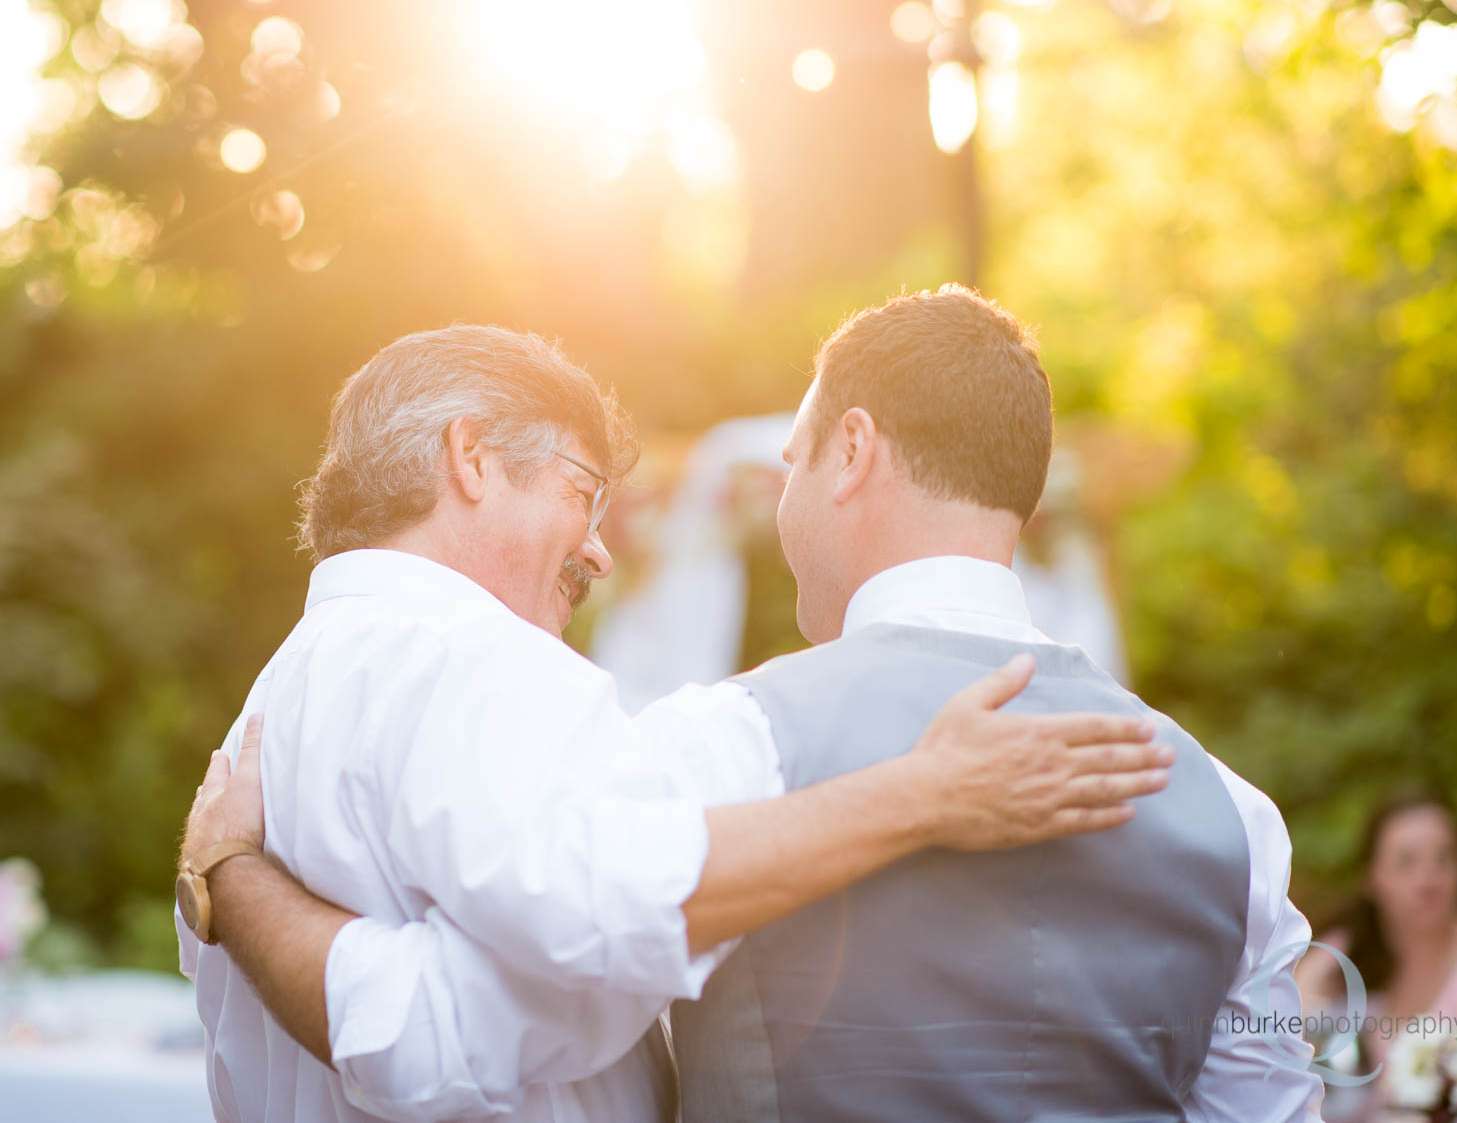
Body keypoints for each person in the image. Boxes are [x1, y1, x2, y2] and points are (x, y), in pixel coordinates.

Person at [173, 307, 1209, 1123]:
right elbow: (442, 1037)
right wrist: (925, 790)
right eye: (584, 493)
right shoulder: (484, 663)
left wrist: (231, 877)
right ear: (472, 457)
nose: (600, 548)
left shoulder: (271, 710)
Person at [1296, 790, 1457, 1081]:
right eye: (1406, 862)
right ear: (1372, 876)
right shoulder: (1343, 954)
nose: (1428, 878)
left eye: (1443, 858)